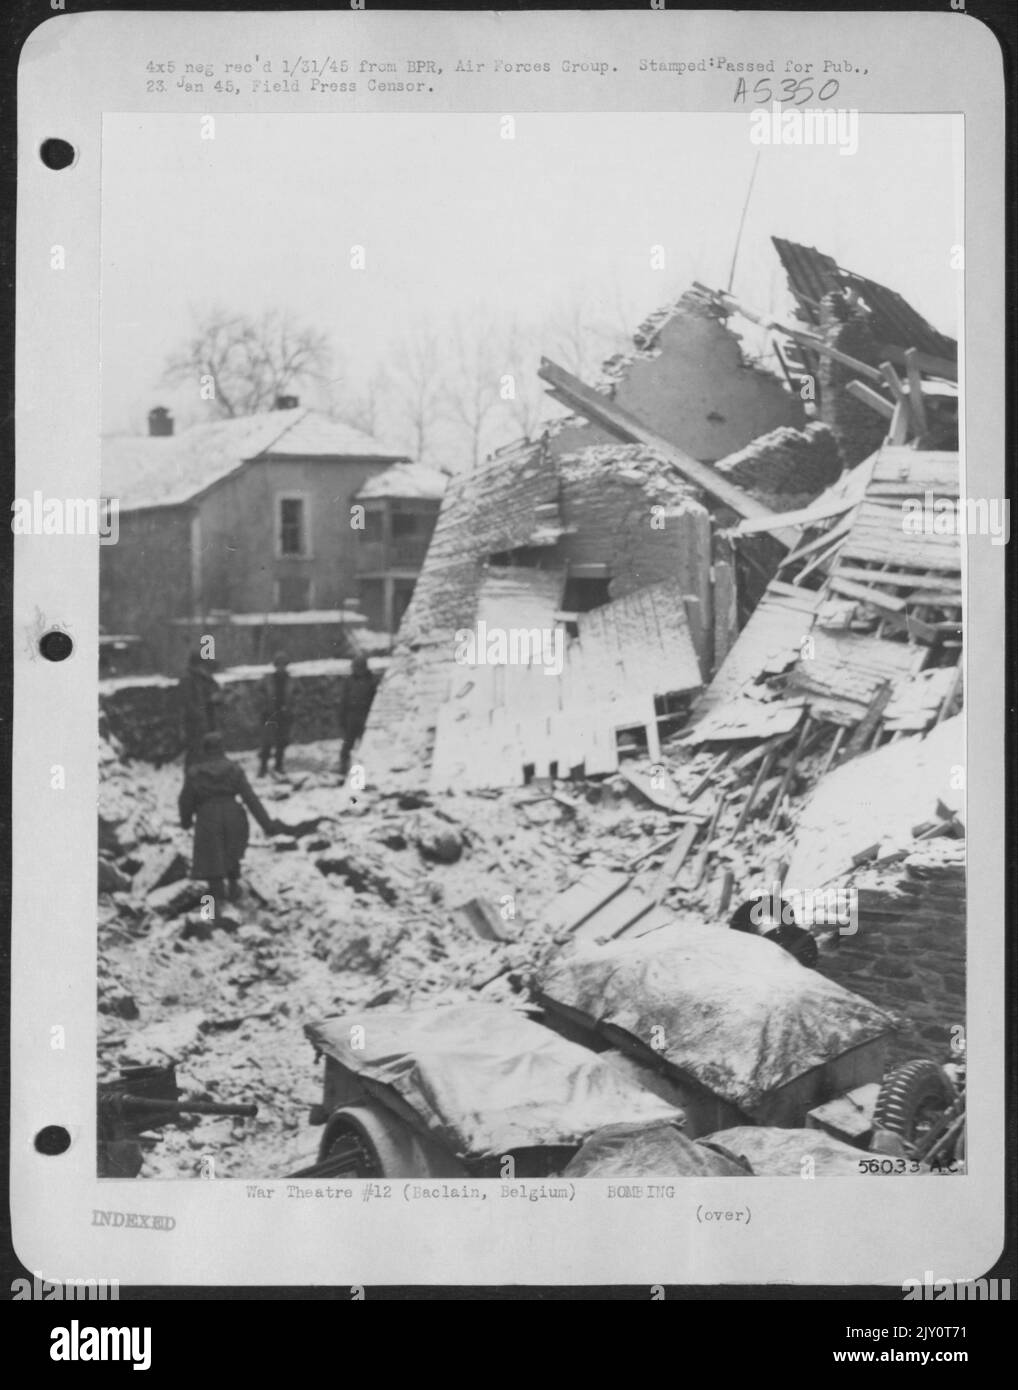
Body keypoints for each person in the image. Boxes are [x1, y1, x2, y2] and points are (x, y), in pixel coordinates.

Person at [178, 732, 280, 925]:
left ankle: (210, 914)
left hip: (207, 818)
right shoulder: (234, 770)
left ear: (205, 750)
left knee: (211, 868)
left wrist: (185, 820)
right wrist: (267, 824)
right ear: (222, 748)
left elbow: (186, 800)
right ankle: (235, 897)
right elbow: (250, 798)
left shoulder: (194, 772)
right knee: (232, 857)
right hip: (234, 816)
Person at [179, 650, 222, 766]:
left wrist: (216, 699)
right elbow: (188, 703)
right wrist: (200, 715)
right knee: (194, 754)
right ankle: (193, 782)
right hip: (194, 724)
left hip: (207, 722)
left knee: (207, 755)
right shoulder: (188, 679)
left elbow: (212, 696)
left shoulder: (205, 679)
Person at [338, 653, 376, 778]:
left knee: (365, 745)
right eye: (355, 668)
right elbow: (344, 700)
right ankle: (343, 769)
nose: (357, 670)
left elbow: (374, 699)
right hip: (351, 716)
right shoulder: (349, 681)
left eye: (359, 668)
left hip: (365, 716)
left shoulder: (371, 680)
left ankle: (367, 770)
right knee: (347, 745)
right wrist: (342, 718)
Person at [258, 651, 292, 777]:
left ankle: (279, 766)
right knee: (266, 743)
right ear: (275, 665)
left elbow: (299, 693)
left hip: (284, 715)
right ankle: (262, 768)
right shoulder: (268, 679)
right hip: (269, 715)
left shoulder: (290, 680)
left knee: (281, 743)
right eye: (279, 664)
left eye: (283, 665)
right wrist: (264, 705)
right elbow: (258, 692)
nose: (281, 667)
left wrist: (291, 706)